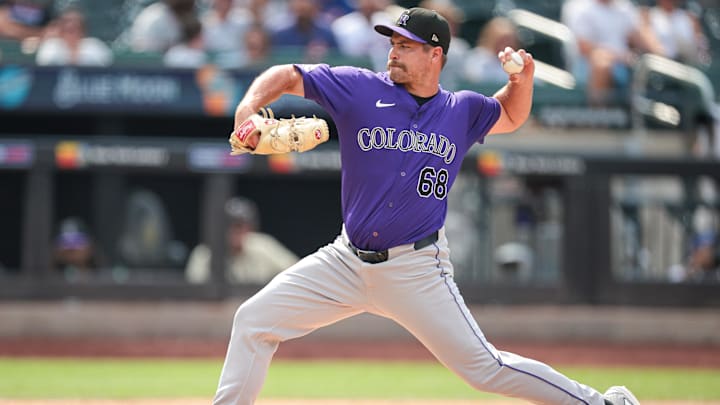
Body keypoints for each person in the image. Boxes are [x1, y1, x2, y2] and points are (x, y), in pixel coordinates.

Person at [214, 7, 640, 405]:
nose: (393, 53)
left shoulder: (461, 110)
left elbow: (511, 115)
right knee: (253, 320)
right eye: (392, 44)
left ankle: (600, 402)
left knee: (484, 368)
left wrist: (522, 79)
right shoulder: (359, 89)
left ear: (435, 55)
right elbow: (287, 74)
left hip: (415, 268)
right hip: (345, 261)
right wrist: (249, 108)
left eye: (405, 46)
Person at [562, 0, 662, 104]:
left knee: (648, 66)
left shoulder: (625, 7)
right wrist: (620, 57)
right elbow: (584, 48)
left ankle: (634, 115)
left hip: (624, 65)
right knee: (601, 63)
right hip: (586, 65)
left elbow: (638, 37)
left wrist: (659, 52)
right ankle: (599, 116)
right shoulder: (578, 6)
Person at [185, 196, 298, 284]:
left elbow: (297, 273)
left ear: (250, 227)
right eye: (228, 224)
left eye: (239, 225)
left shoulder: (262, 245)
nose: (234, 230)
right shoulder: (205, 253)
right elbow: (194, 292)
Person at [35, 6, 113, 67]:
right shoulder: (50, 46)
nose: (71, 25)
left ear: (83, 30)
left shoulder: (95, 46)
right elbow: (43, 71)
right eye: (68, 29)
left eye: (75, 27)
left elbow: (108, 71)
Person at [639, 0, 710, 66]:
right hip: (661, 67)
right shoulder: (648, 15)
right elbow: (649, 44)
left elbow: (701, 48)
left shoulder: (690, 18)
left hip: (688, 68)